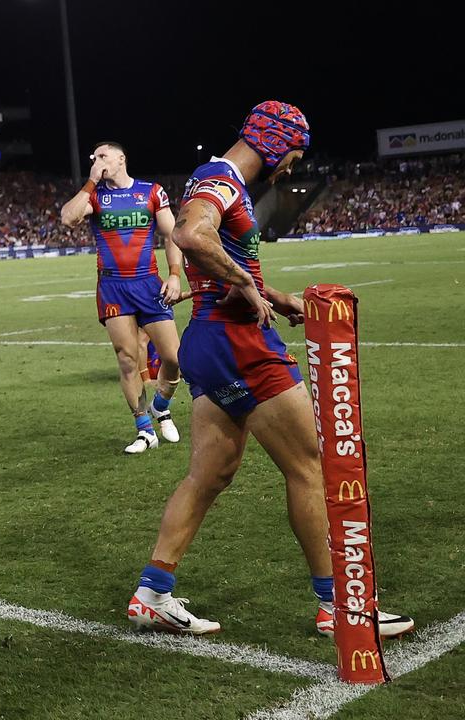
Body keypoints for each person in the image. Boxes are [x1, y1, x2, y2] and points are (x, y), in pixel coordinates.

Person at [126, 101, 414, 638]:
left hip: (208, 341)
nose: (291, 168)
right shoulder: (222, 180)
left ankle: (152, 592)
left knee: (210, 474)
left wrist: (273, 295)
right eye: (293, 156)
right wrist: (242, 283)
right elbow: (191, 236)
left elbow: (211, 250)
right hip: (240, 343)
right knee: (311, 465)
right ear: (277, 144)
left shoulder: (216, 179)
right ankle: (339, 608)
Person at [60, 141, 184, 454]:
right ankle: (144, 430)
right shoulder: (95, 196)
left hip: (147, 284)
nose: (98, 160)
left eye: (103, 156)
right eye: (94, 157)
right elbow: (67, 218)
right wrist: (90, 179)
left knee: (174, 358)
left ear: (120, 159)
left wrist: (173, 274)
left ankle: (161, 405)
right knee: (128, 359)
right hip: (113, 287)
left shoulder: (151, 192)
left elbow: (172, 235)